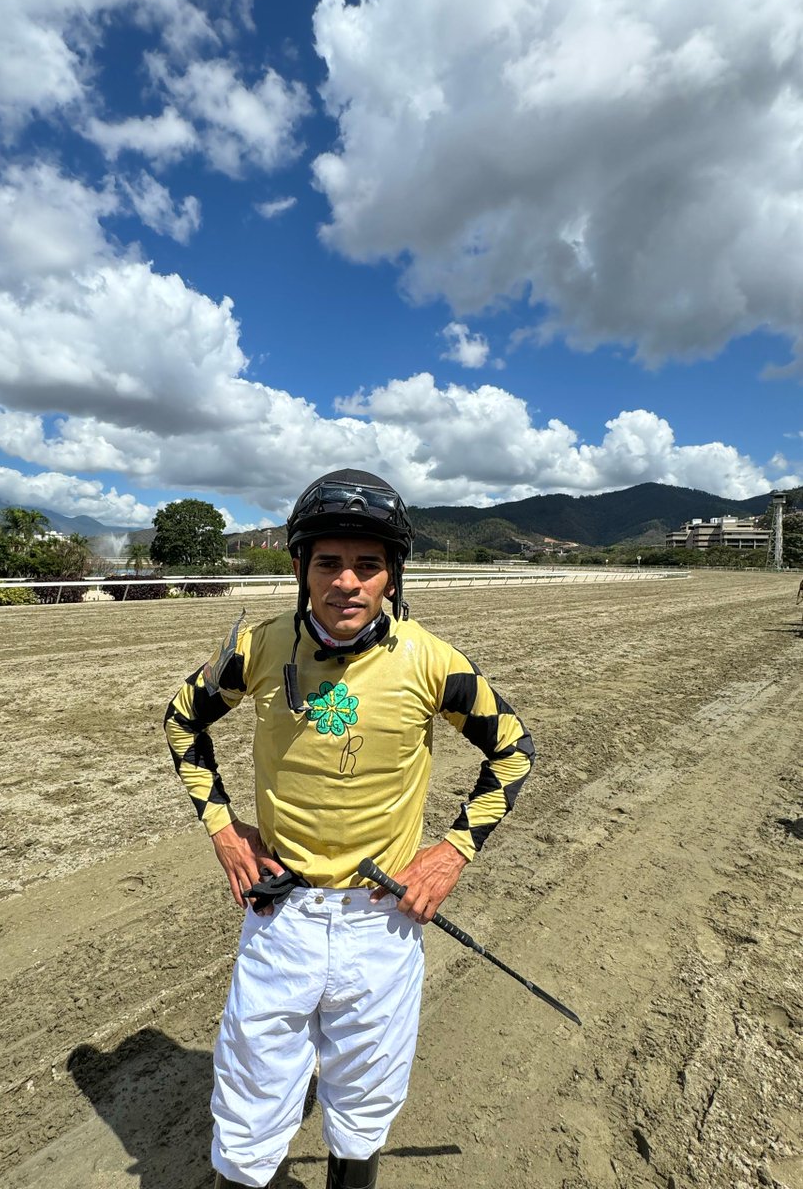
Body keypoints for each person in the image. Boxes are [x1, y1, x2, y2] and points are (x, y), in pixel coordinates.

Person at [164, 469, 534, 1189]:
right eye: (328, 562)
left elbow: (513, 749)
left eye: (369, 565)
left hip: (382, 924)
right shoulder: (259, 648)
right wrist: (222, 828)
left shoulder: (433, 660)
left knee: (363, 1113)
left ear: (393, 576)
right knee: (246, 1122)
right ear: (300, 567)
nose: (347, 583)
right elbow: (183, 723)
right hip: (280, 918)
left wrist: (451, 854)